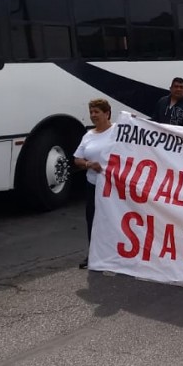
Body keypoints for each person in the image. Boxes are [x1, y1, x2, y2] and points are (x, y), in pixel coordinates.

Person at [73, 98, 115, 269]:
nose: (93, 115)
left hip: (113, 187)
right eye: (91, 112)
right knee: (93, 220)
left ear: (107, 113)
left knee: (112, 220)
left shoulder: (118, 131)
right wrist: (89, 164)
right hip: (93, 185)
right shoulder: (88, 135)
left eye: (97, 112)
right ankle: (94, 255)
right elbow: (77, 159)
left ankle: (114, 255)